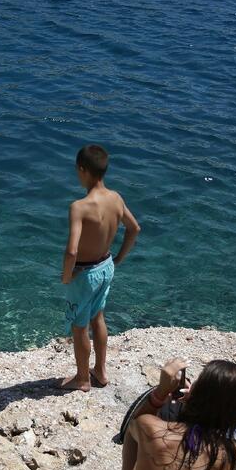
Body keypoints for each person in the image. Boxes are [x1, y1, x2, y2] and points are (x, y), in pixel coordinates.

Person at [59, 144, 140, 391]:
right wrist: (119, 258)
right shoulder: (116, 198)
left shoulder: (79, 207)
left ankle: (82, 378)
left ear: (82, 170)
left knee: (79, 326)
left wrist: (66, 277)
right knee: (98, 318)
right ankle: (101, 372)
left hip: (84, 274)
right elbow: (134, 228)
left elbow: (72, 251)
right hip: (106, 266)